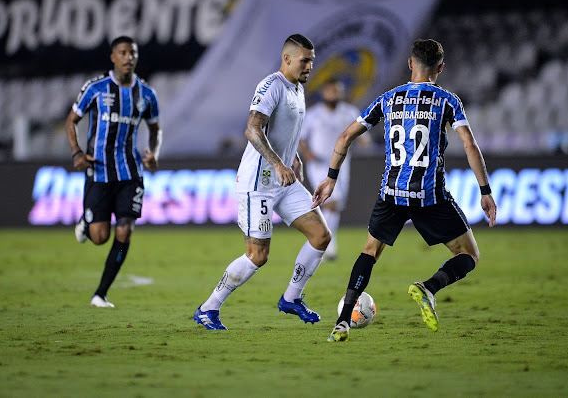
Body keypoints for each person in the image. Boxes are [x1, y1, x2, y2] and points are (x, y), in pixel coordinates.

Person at [312, 39, 497, 342]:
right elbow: (469, 145)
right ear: (440, 67)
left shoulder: (388, 99)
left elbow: (345, 136)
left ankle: (343, 321)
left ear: (411, 65)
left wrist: (330, 178)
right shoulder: (447, 101)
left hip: (392, 192)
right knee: (469, 254)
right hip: (429, 195)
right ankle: (429, 287)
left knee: (369, 252)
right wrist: (485, 190)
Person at [194, 34, 331, 330]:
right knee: (258, 256)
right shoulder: (271, 86)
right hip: (258, 183)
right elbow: (252, 130)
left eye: (312, 61)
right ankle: (208, 308)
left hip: (285, 180)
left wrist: (294, 159)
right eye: (304, 60)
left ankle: (291, 298)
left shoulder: (298, 89)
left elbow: (286, 132)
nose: (309, 66)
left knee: (321, 236)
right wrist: (279, 163)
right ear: (287, 58)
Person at [65, 35, 162, 308]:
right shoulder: (95, 88)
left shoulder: (147, 94)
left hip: (130, 173)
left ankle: (101, 294)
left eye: (132, 52)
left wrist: (154, 153)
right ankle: (87, 220)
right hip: (98, 171)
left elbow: (156, 130)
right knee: (99, 237)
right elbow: (71, 120)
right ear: (113, 57)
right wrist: (76, 152)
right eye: (123, 52)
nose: (128, 57)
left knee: (124, 232)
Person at [299, 78, 370, 261]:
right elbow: (301, 138)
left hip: (341, 164)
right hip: (319, 163)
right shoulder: (314, 114)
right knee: (331, 202)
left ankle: (322, 242)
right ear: (324, 93)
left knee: (334, 206)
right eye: (330, 91)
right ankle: (325, 245)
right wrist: (307, 154)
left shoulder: (349, 112)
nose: (334, 94)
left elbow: (363, 136)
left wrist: (363, 141)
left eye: (337, 91)